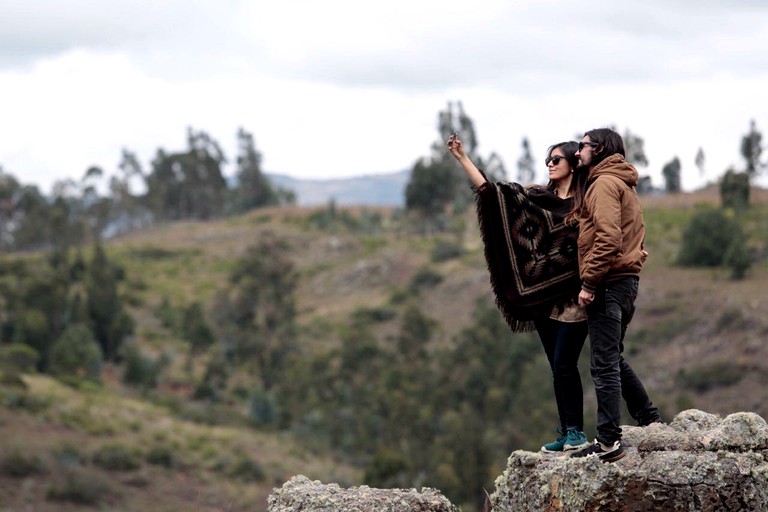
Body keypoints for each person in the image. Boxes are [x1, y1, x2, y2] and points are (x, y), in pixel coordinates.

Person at [447, 133, 590, 453]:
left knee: (566, 363)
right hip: (543, 301)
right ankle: (568, 431)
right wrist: (463, 159)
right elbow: (493, 193)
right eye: (548, 161)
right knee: (557, 367)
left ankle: (578, 433)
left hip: (576, 298)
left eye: (556, 160)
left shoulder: (586, 203)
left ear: (572, 164)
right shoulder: (538, 197)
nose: (550, 165)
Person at [568, 128, 661, 463]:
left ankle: (608, 442)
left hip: (608, 283)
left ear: (601, 149)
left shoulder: (604, 184)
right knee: (613, 357)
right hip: (625, 281)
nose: (578, 152)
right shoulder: (621, 182)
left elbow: (608, 237)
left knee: (603, 363)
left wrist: (589, 283)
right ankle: (649, 419)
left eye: (583, 146)